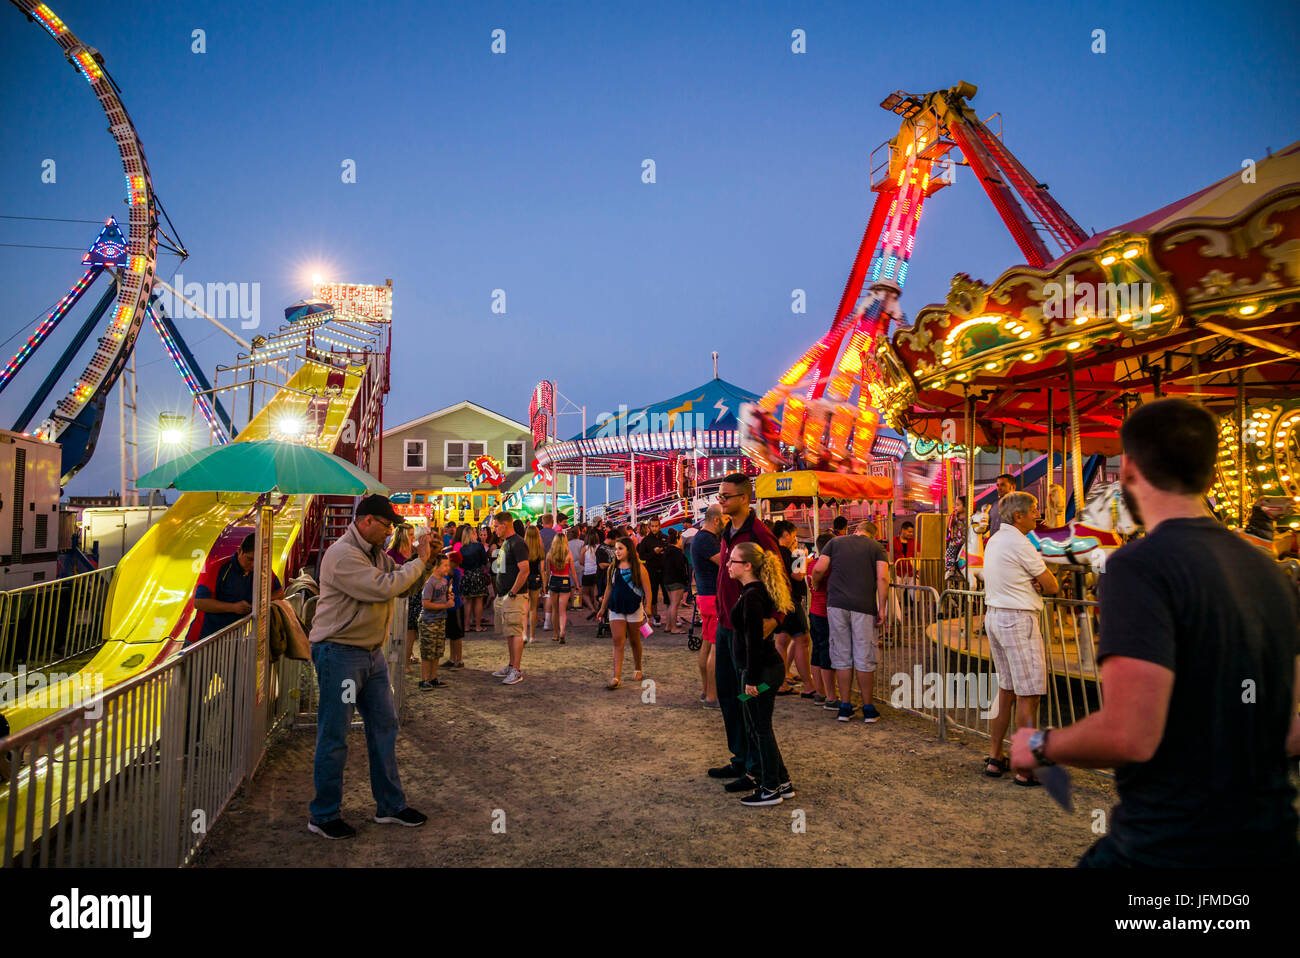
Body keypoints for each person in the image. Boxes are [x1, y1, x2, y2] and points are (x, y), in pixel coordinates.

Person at [1011, 399, 1300, 866]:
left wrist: (1042, 744)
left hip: (1172, 841)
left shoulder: (1136, 568)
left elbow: (1130, 735)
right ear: (1210, 477)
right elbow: (1287, 732)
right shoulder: (1274, 575)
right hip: (1271, 841)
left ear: (1127, 470)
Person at [307, 495, 430, 839]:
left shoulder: (373, 553)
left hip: (368, 653)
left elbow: (401, 585)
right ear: (367, 521)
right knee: (335, 733)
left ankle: (390, 805)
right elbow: (385, 588)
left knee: (383, 728)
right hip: (340, 652)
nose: (390, 531)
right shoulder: (343, 555)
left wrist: (423, 563)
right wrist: (420, 561)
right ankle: (323, 813)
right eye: (387, 524)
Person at [709, 473, 785, 794]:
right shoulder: (728, 530)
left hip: (744, 630)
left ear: (744, 498)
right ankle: (741, 757)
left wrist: (776, 618)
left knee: (746, 697)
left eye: (726, 496)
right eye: (720, 495)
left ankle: (756, 771)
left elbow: (778, 576)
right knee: (728, 695)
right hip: (726, 625)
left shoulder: (759, 534)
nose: (720, 500)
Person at [981, 491, 1059, 784]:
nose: (1037, 514)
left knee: (1006, 690)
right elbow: (1051, 585)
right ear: (1018, 516)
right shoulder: (1020, 542)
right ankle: (1025, 768)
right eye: (1034, 510)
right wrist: (1040, 583)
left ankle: (995, 756)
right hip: (1018, 619)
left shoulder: (996, 540)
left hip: (996, 615)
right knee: (1029, 695)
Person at [727, 540, 796, 806]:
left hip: (762, 676)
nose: (728, 565)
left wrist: (752, 681)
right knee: (755, 722)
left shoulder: (753, 596)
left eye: (733, 561)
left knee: (761, 727)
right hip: (760, 673)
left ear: (747, 566)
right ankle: (781, 780)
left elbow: (755, 641)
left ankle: (770, 789)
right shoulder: (752, 592)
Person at [810, 519, 889, 724]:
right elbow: (882, 578)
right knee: (864, 655)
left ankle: (844, 707)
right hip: (864, 607)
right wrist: (882, 607)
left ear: (856, 530)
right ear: (872, 534)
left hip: (836, 606)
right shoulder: (876, 548)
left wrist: (816, 585)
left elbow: (818, 569)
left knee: (842, 655)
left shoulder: (835, 543)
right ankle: (868, 708)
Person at [193, 533, 285, 642]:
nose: (254, 565)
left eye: (259, 561)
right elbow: (199, 602)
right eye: (250, 559)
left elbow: (279, 592)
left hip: (235, 641)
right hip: (203, 640)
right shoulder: (218, 569)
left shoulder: (263, 569)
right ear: (240, 551)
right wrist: (233, 607)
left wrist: (260, 602)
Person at [595, 536, 650, 690]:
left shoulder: (638, 568)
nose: (617, 551)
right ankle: (616, 677)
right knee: (617, 640)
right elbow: (608, 588)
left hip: (634, 607)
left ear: (628, 550)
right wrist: (602, 607)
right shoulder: (613, 568)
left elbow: (647, 589)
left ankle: (638, 668)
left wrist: (649, 606)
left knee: (634, 640)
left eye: (620, 548)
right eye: (616, 548)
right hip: (615, 607)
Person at [772, 520, 812, 695]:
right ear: (786, 534)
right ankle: (810, 687)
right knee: (803, 640)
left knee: (782, 641)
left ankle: (782, 681)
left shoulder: (773, 550)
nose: (795, 540)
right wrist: (802, 556)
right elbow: (798, 575)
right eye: (794, 536)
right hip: (790, 601)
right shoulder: (787, 552)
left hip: (779, 601)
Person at [490, 511, 530, 685]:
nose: (494, 530)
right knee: (509, 631)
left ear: (505, 524)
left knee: (515, 631)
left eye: (496, 526)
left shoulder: (518, 543)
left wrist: (512, 592)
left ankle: (516, 669)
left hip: (514, 596)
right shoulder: (508, 542)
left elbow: (525, 570)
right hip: (506, 594)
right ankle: (512, 664)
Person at [691, 507, 725, 708]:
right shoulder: (706, 540)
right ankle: (713, 696)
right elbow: (725, 562)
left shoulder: (701, 538)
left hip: (706, 596)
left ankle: (706, 690)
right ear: (717, 520)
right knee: (715, 647)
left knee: (707, 643)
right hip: (712, 597)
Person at [385, 524, 422, 671]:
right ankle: (398, 658)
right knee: (398, 627)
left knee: (411, 628)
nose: (414, 538)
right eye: (411, 535)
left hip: (414, 593)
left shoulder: (414, 549)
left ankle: (407, 657)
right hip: (399, 593)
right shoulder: (391, 553)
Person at [418, 553, 454, 691]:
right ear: (437, 566)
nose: (447, 567)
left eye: (448, 565)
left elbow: (443, 598)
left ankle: (433, 678)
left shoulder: (444, 581)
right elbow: (426, 604)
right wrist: (445, 606)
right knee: (427, 651)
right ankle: (424, 680)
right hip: (429, 621)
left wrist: (449, 598)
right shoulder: (430, 582)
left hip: (440, 620)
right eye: (445, 565)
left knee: (437, 651)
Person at [808, 531, 835, 706]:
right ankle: (831, 697)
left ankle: (819, 692)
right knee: (827, 654)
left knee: (816, 652)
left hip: (814, 611)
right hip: (826, 613)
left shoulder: (810, 564)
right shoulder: (829, 566)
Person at [544, 532, 574, 643]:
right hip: (565, 581)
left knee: (554, 610)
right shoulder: (568, 553)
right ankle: (562, 631)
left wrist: (545, 585)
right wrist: (576, 584)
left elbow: (547, 572)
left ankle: (556, 634)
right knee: (562, 611)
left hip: (554, 580)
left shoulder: (550, 554)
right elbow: (573, 572)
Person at [636, 518, 668, 625]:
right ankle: (656, 616)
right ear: (649, 527)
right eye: (652, 526)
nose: (654, 528)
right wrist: (654, 553)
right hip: (651, 570)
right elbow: (642, 556)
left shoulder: (665, 538)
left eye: (656, 526)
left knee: (667, 594)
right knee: (652, 595)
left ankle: (671, 617)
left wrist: (663, 552)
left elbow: (670, 551)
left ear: (659, 526)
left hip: (664, 569)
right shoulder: (645, 541)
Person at [459, 526, 490, 633]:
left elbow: (461, 564)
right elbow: (484, 561)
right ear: (473, 534)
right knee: (478, 601)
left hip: (466, 574)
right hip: (477, 574)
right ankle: (477, 626)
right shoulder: (479, 546)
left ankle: (466, 626)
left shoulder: (462, 548)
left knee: (467, 601)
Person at [660, 528, 690, 633]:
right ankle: (674, 628)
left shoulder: (667, 551)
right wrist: (685, 579)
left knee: (670, 604)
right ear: (677, 540)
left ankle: (668, 626)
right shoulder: (677, 552)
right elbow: (680, 568)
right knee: (674, 605)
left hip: (667, 580)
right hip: (676, 580)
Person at [522, 526, 545, 643]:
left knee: (524, 608)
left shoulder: (523, 548)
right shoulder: (540, 548)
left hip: (524, 578)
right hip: (535, 578)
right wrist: (544, 585)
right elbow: (542, 569)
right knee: (533, 608)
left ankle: (523, 634)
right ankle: (532, 635)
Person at [444, 550, 465, 669]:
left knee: (457, 635)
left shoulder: (455, 572)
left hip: (456, 605)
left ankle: (459, 659)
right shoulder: (452, 571)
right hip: (451, 605)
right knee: (452, 635)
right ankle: (452, 658)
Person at [579, 531, 602, 618]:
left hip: (587, 572)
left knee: (585, 593)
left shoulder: (585, 548)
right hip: (597, 572)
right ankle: (598, 613)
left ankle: (592, 609)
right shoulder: (599, 547)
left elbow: (581, 561)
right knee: (595, 594)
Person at [892, 520, 916, 584]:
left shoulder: (915, 542)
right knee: (898, 592)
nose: (911, 534)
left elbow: (918, 557)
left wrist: (917, 570)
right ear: (903, 530)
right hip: (898, 572)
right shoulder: (893, 541)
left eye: (912, 532)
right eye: (909, 532)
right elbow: (888, 556)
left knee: (916, 592)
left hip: (911, 572)